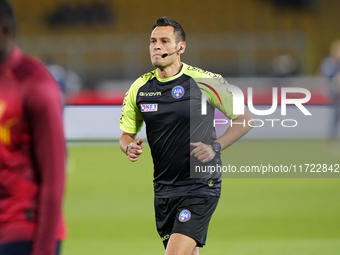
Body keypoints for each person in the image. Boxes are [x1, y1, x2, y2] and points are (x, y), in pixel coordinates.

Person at [119, 17, 252, 255]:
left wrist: (215, 147)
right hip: (163, 189)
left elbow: (245, 120)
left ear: (180, 47)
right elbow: (126, 135)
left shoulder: (204, 81)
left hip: (200, 184)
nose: (156, 46)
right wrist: (129, 146)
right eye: (152, 41)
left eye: (163, 41)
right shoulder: (139, 88)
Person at [0, 1, 66, 254]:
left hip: (23, 230)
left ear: (4, 31)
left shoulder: (35, 83)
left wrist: (45, 248)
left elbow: (54, 176)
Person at [320, 39, 340, 140]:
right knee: (336, 115)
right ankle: (332, 139)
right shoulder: (329, 63)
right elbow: (325, 79)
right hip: (334, 93)